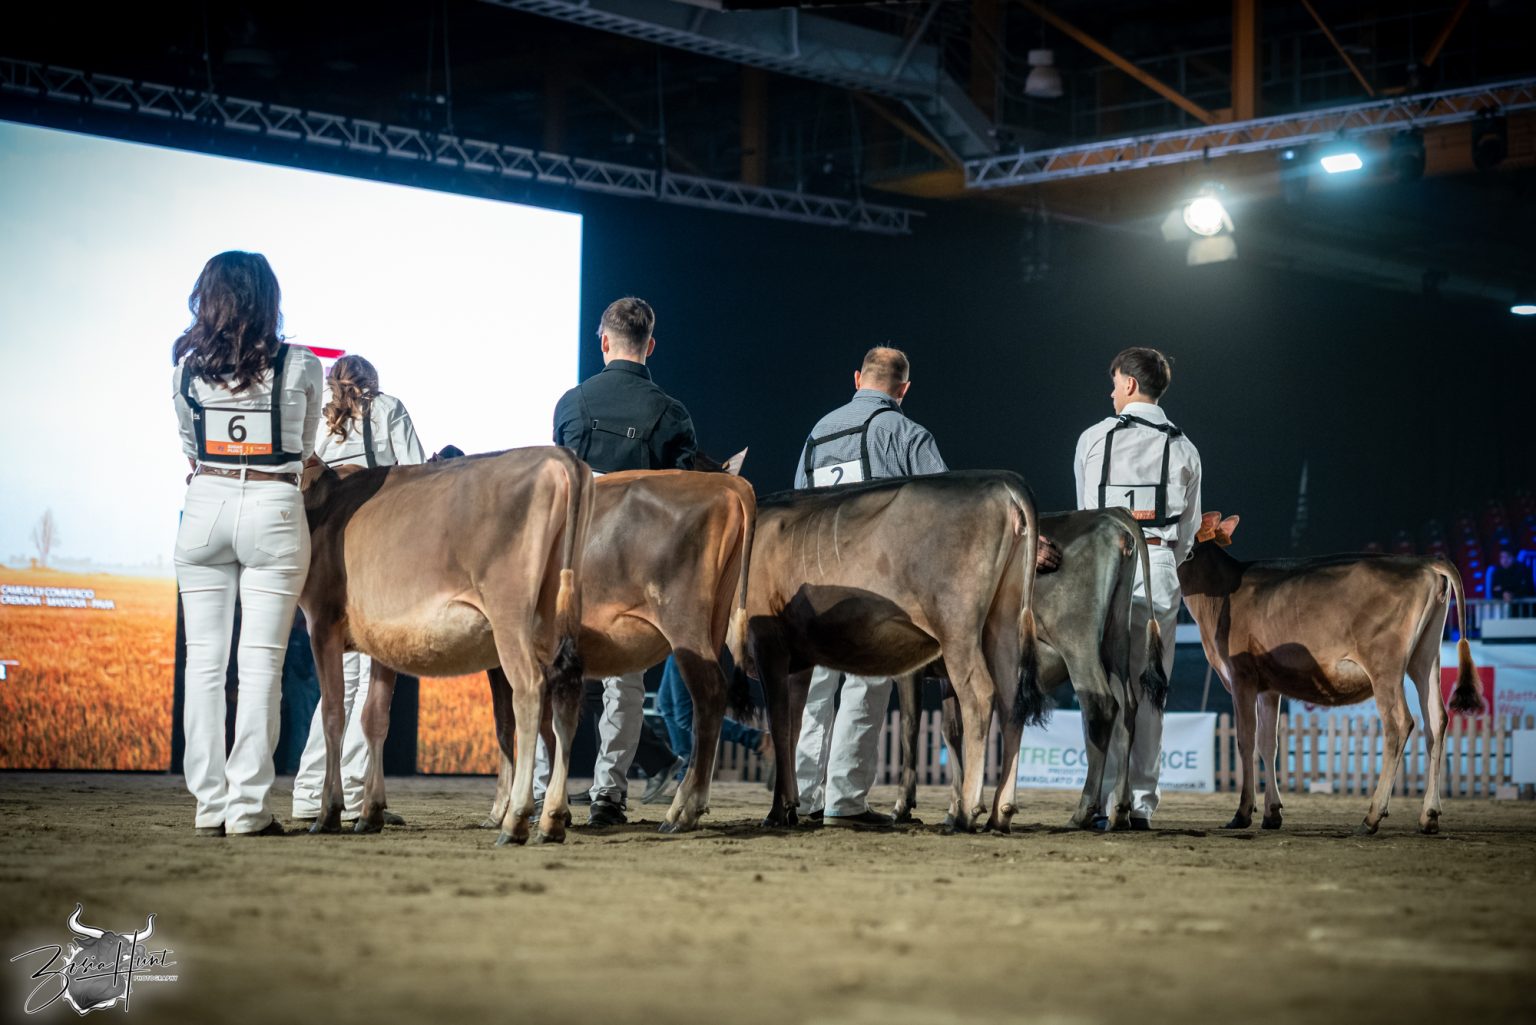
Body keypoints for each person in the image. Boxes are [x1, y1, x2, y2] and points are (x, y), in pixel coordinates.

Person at [172, 251, 323, 837]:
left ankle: (209, 805)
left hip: (205, 503)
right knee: (262, 665)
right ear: (269, 298)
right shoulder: (302, 364)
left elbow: (190, 448)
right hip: (274, 505)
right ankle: (247, 809)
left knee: (204, 665)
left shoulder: (185, 369)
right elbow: (304, 450)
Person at [548, 296, 697, 825]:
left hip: (572, 558)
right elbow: (683, 503)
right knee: (625, 681)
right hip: (635, 565)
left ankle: (547, 788)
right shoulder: (672, 413)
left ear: (605, 341)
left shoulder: (570, 404)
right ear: (650, 345)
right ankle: (608, 796)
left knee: (555, 669)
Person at [792, 346, 947, 829]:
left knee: (816, 695)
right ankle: (845, 801)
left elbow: (796, 507)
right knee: (865, 687)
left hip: (816, 582)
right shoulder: (907, 433)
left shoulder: (818, 432)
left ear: (857, 378)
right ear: (904, 389)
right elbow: (945, 508)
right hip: (876, 588)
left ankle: (802, 797)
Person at [290, 355, 425, 824]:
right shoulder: (387, 408)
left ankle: (310, 790)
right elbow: (417, 474)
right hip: (376, 550)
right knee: (372, 674)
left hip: (325, 555)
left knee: (336, 683)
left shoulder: (316, 420)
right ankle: (349, 790)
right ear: (372, 381)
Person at [1073, 347, 1202, 829]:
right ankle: (1140, 803)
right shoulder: (1185, 448)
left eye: (1114, 383)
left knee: (1104, 683)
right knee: (1151, 689)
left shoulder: (1094, 439)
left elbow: (1085, 514)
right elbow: (1189, 532)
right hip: (1160, 560)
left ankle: (1104, 797)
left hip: (1107, 565)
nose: (1111, 393)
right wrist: (1166, 558)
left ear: (1129, 383)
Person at [647, 653, 771, 803]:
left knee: (686, 715)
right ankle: (685, 779)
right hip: (675, 647)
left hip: (687, 644)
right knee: (667, 705)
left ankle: (759, 740)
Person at [1491, 547, 1534, 618]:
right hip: (1504, 612)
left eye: (1507, 557)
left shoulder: (1523, 570)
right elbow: (1494, 591)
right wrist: (1502, 594)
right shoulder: (1497, 572)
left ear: (1513, 557)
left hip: (1525, 611)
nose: (1505, 560)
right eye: (1502, 557)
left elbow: (1528, 589)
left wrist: (1513, 594)